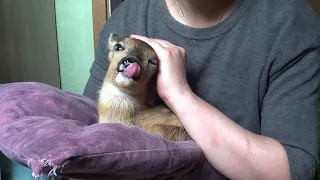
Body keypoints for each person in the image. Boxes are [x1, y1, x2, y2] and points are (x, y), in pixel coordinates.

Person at [83, 0, 320, 179]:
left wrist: (180, 95)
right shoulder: (128, 16)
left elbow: (295, 168)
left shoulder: (290, 23)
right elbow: (87, 140)